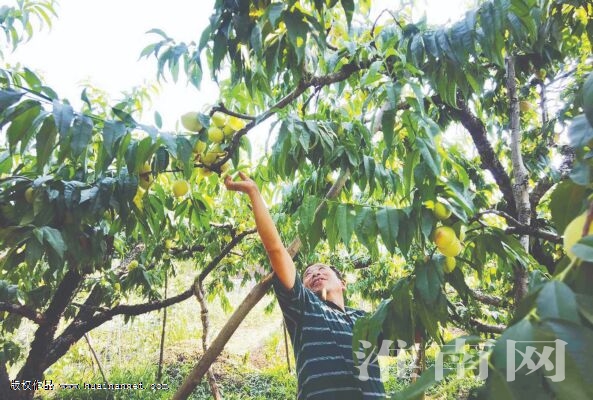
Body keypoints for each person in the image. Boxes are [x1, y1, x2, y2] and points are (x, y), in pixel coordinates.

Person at [225, 172, 385, 399]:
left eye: (323, 269)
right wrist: (254, 192)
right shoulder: (303, 307)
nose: (315, 273)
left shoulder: (364, 319)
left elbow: (406, 337)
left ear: (343, 283)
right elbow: (276, 250)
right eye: (308, 273)